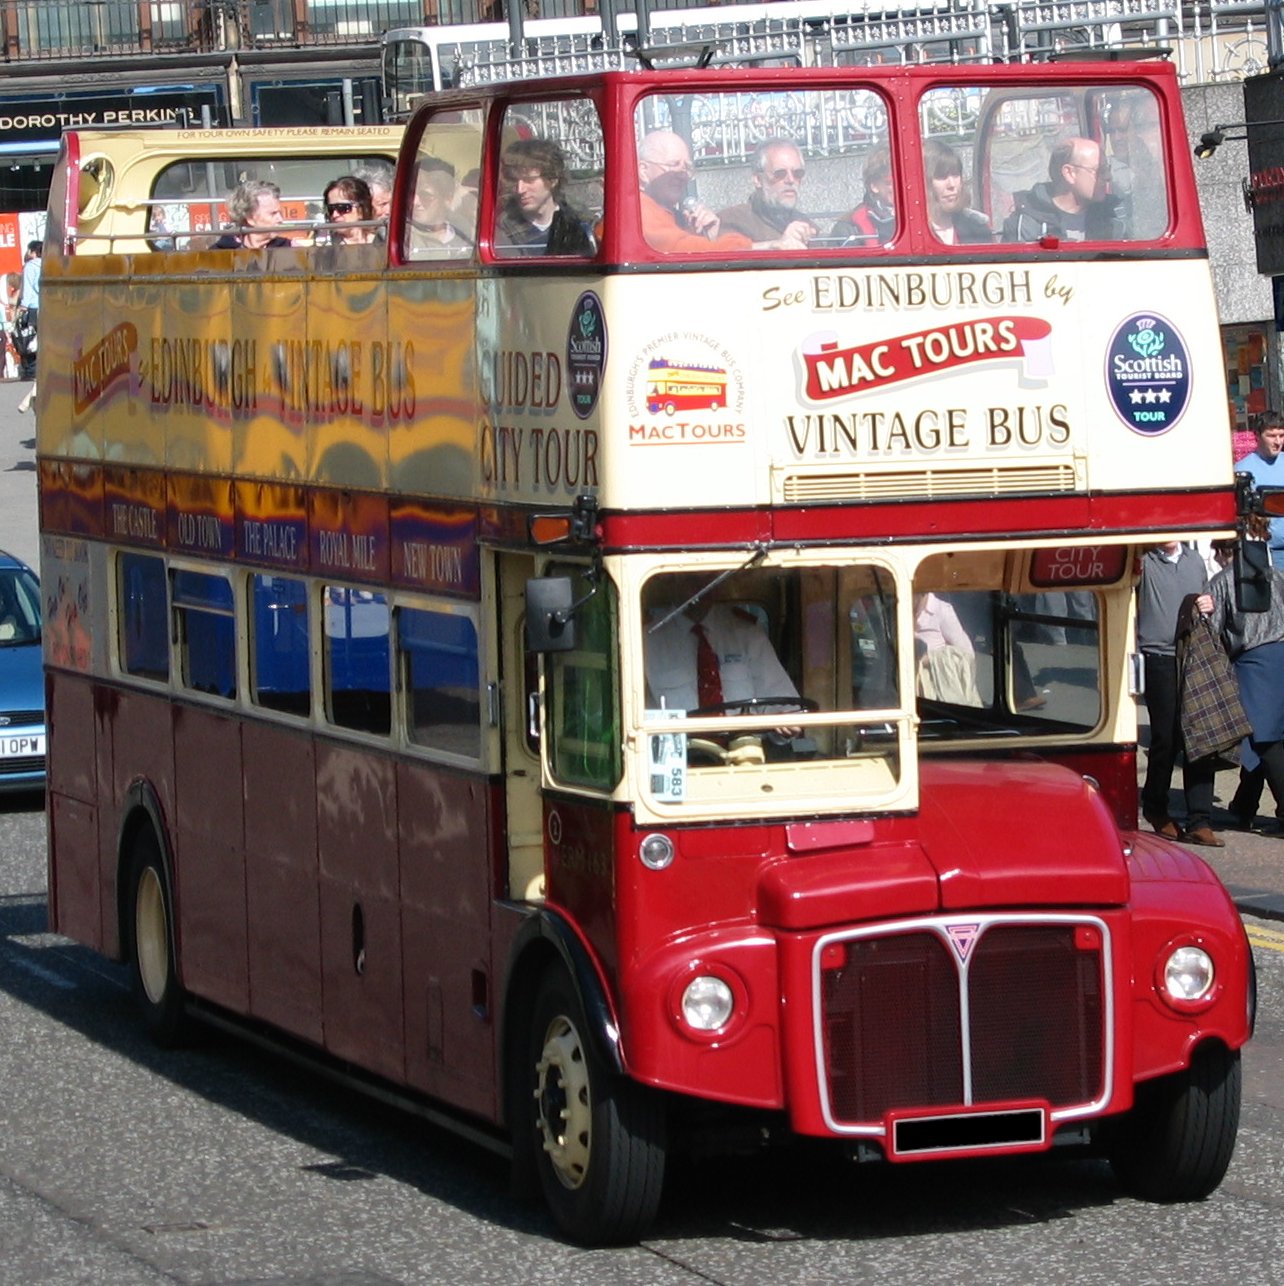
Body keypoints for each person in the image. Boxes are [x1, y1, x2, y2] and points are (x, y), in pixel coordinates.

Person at [1137, 541, 1219, 846]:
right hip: (1158, 655)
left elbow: (1206, 599)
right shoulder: (1143, 560)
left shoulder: (1195, 560)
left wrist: (1208, 605)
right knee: (1166, 737)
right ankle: (1156, 806)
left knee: (1201, 736)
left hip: (1193, 652)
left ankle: (1200, 819)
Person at [1208, 526, 1284, 835]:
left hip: (1253, 661)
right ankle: (1243, 806)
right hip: (1280, 656)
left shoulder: (1223, 581)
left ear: (1224, 553)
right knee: (1260, 736)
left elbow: (1212, 628)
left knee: (1265, 740)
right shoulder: (1274, 575)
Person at [644, 574, 798, 717]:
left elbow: (781, 701)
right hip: (678, 744)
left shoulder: (748, 634)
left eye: (711, 578)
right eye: (692, 578)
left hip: (743, 743)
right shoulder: (645, 641)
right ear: (672, 580)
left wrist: (784, 718)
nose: (703, 587)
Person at [637, 130, 752, 254]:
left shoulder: (677, 217)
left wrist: (709, 236)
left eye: (686, 168)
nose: (682, 176)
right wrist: (755, 248)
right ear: (643, 171)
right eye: (674, 164)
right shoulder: (638, 211)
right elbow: (678, 249)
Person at [1002, 137, 1124, 242]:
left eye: (1107, 169)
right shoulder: (1026, 226)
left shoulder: (1115, 218)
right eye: (1099, 171)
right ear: (1070, 173)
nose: (1108, 177)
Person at [495, 138, 595, 257]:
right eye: (514, 181)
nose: (520, 189)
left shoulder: (582, 221)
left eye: (529, 180)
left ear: (552, 179)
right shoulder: (502, 230)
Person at [715, 137, 816, 250]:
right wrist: (778, 245)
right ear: (758, 180)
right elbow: (726, 256)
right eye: (780, 173)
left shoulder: (807, 225)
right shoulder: (732, 221)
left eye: (798, 173)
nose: (790, 180)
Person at [1234, 415, 1284, 569]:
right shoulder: (1242, 471)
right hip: (1264, 553)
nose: (1278, 442)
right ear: (1257, 436)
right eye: (1271, 436)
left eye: (1281, 435)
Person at [922, 141, 992, 245]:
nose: (951, 185)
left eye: (955, 175)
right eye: (942, 177)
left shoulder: (977, 230)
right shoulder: (894, 234)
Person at [407, 160, 472, 257]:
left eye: (426, 195)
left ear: (447, 198)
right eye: (411, 193)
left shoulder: (469, 234)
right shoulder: (398, 237)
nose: (415, 202)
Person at [833, 145, 895, 247]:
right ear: (874, 186)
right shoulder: (848, 229)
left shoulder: (926, 216)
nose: (899, 187)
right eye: (890, 182)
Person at [211, 180, 291, 250]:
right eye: (273, 214)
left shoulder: (290, 250)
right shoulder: (219, 254)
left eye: (280, 213)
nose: (280, 219)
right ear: (250, 218)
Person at [15, 242, 40, 411]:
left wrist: (22, 307)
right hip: (48, 306)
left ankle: (33, 371)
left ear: (32, 251)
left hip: (33, 308)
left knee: (31, 339)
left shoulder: (30, 266)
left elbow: (29, 289)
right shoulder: (50, 263)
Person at [321, 176, 378, 246]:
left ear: (361, 210)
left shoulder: (384, 242)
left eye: (342, 208)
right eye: (331, 209)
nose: (334, 215)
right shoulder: (326, 249)